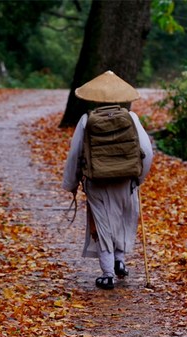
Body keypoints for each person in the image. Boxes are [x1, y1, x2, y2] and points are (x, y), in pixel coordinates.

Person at [62, 70, 154, 290]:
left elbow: (75, 155)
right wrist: (139, 178)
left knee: (103, 227)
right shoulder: (131, 118)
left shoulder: (86, 120)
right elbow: (147, 152)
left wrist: (72, 183)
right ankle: (120, 261)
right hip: (126, 181)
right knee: (122, 220)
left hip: (97, 182)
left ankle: (107, 274)